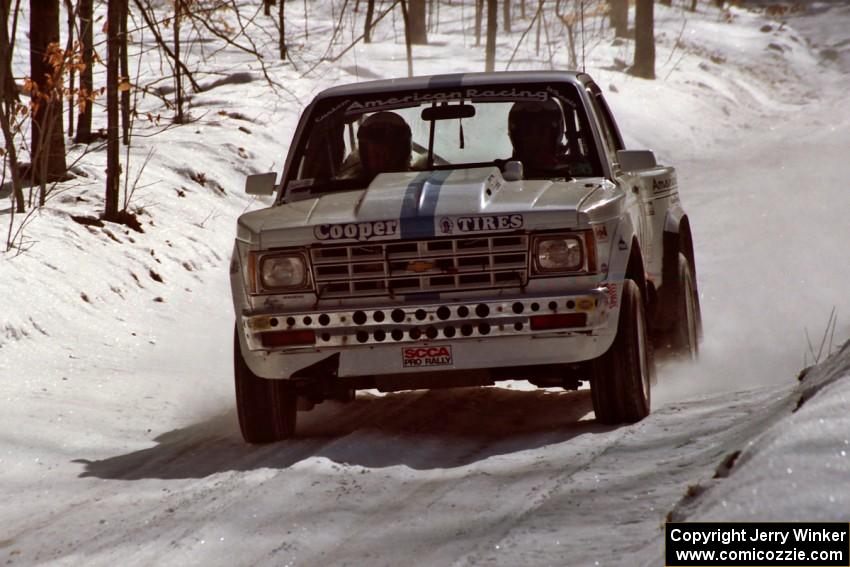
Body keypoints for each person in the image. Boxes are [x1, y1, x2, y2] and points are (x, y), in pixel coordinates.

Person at [506, 99, 572, 179]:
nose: (534, 137)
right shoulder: (500, 174)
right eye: (527, 131)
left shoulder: (573, 170)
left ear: (555, 134)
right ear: (516, 136)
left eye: (541, 131)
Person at [341, 111, 413, 181]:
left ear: (404, 153)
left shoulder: (419, 180)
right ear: (364, 155)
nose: (382, 161)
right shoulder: (348, 186)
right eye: (375, 154)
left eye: (390, 152)